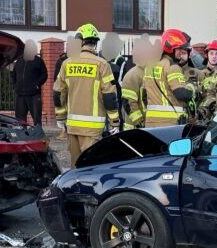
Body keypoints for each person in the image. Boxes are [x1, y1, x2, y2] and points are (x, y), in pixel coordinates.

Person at [53, 24, 120, 165]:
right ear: (95, 43)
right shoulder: (102, 64)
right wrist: (114, 122)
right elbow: (109, 97)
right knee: (89, 168)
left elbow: (58, 93)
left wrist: (60, 118)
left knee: (75, 166)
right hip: (93, 129)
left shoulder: (67, 63)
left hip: (72, 126)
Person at [143, 29, 195, 128]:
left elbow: (144, 95)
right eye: (179, 49)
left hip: (150, 123)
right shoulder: (173, 67)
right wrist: (191, 89)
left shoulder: (149, 66)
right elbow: (182, 94)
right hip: (170, 123)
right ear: (170, 48)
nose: (181, 53)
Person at [9, 39, 47, 131]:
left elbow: (44, 75)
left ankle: (38, 134)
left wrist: (37, 85)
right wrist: (16, 85)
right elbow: (13, 74)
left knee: (36, 117)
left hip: (34, 94)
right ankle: (22, 134)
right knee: (20, 118)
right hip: (20, 95)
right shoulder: (19, 61)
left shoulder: (38, 61)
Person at [120, 35, 155, 130]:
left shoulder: (153, 72)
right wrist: (140, 122)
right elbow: (128, 103)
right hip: (135, 128)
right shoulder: (132, 75)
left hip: (150, 125)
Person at [53, 36, 82, 141]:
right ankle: (64, 130)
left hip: (78, 90)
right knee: (64, 111)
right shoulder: (62, 60)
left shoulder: (82, 59)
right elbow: (56, 78)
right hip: (65, 91)